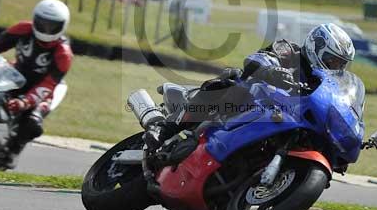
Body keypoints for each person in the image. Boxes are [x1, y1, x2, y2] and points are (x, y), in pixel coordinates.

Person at [143, 23, 355, 150]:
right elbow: (257, 58)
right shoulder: (290, 51)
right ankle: (165, 128)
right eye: (333, 61)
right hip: (249, 101)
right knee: (231, 80)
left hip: (279, 120)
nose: (335, 68)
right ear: (316, 47)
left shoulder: (322, 83)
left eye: (341, 65)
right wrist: (271, 70)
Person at [0, 0, 73, 155]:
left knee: (33, 123)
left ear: (63, 26)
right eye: (42, 23)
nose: (46, 29)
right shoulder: (23, 28)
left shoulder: (63, 53)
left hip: (44, 89)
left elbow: (49, 84)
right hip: (15, 74)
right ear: (35, 19)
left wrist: (25, 102)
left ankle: (12, 152)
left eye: (52, 26)